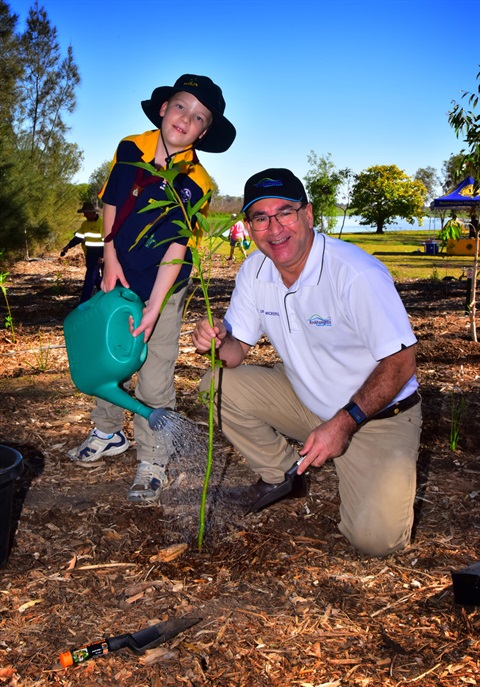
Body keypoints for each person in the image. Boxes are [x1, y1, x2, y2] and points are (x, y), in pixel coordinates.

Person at [192, 168, 422, 558]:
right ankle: (283, 475)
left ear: (308, 215)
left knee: (376, 541)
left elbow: (402, 362)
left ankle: (355, 466)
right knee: (215, 385)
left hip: (377, 414)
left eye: (285, 212)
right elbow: (234, 354)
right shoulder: (254, 271)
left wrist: (344, 422)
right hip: (307, 399)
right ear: (248, 226)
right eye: (260, 218)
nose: (274, 227)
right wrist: (214, 341)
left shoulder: (354, 273)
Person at [66, 74, 236, 504]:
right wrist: (109, 255)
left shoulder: (197, 182)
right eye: (181, 106)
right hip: (116, 274)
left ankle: (153, 458)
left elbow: (178, 245)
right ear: (163, 108)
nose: (186, 119)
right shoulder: (131, 148)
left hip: (165, 283)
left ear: (204, 131)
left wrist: (156, 306)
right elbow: (111, 201)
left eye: (199, 117)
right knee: (106, 356)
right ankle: (107, 432)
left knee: (154, 369)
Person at [61, 203, 104, 303]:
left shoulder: (101, 223)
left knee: (90, 279)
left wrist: (102, 256)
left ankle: (83, 302)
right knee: (96, 277)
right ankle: (103, 297)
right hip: (90, 254)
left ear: (92, 213)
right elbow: (78, 237)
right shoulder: (85, 224)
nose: (84, 215)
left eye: (86, 213)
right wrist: (68, 246)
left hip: (100, 254)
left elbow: (106, 241)